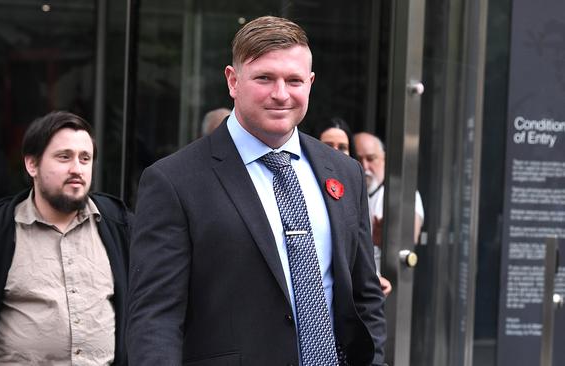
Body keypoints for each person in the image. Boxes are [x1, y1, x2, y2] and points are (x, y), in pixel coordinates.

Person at [127, 16, 385, 366]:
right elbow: (155, 317)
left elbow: (365, 296)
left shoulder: (343, 172)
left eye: (294, 80)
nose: (281, 94)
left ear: (310, 83)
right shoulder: (173, 181)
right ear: (233, 81)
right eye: (264, 78)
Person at [0, 111, 132, 365]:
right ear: (32, 164)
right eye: (64, 157)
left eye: (85, 158)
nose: (77, 169)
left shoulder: (120, 227)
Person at [315, 120, 392, 296]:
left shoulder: (355, 189)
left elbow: (359, 249)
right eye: (327, 145)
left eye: (342, 147)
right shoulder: (302, 184)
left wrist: (374, 278)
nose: (335, 152)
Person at [353, 132, 424, 286]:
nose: (365, 167)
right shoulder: (351, 193)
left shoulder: (402, 194)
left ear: (384, 159)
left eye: (371, 159)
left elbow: (409, 237)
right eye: (359, 159)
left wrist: (387, 239)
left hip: (389, 288)